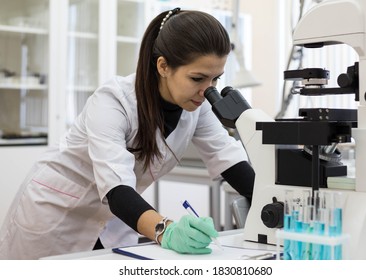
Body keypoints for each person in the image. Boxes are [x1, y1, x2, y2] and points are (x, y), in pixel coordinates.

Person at [0, 7, 254, 260]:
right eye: (197, 78)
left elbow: (229, 159)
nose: (206, 90)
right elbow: (117, 189)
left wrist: (275, 202)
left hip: (114, 221)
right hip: (57, 213)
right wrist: (167, 230)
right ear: (163, 66)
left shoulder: (197, 107)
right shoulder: (113, 101)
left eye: (215, 80)